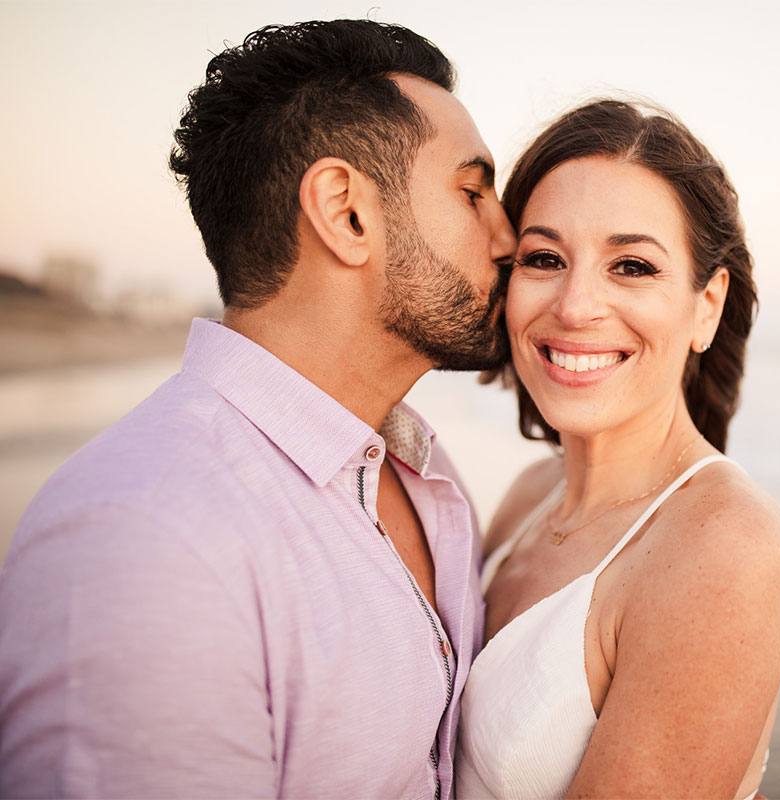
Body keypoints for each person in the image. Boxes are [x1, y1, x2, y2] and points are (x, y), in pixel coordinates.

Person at [0, 20, 512, 797]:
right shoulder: (146, 539)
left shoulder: (429, 478)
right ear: (347, 213)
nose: (508, 238)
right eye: (473, 193)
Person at [456, 100, 780, 799]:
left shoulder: (727, 547)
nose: (576, 306)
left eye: (633, 267)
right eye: (545, 258)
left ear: (706, 305)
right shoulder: (527, 495)